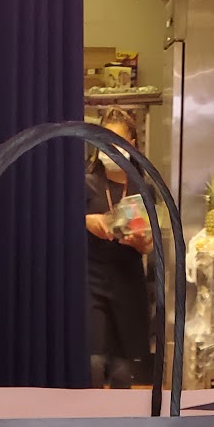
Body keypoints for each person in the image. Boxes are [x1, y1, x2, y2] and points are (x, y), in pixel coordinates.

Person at [86, 108, 151, 390]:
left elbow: (149, 244)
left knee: (123, 371)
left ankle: (120, 418)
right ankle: (91, 416)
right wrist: (87, 221)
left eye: (117, 141)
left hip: (128, 284)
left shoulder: (143, 188)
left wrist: (142, 242)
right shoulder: (85, 183)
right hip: (91, 282)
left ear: (131, 144)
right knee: (93, 363)